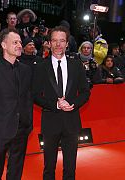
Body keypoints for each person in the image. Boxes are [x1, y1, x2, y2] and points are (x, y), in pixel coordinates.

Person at [32, 26, 90, 180]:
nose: (58, 44)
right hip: (50, 122)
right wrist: (55, 105)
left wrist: (73, 104)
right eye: (55, 41)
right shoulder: (41, 66)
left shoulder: (76, 65)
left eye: (62, 41)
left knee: (70, 168)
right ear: (49, 43)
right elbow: (35, 95)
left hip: (71, 122)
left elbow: (85, 92)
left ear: (67, 44)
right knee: (48, 168)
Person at [0, 28, 33, 180]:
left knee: (16, 172)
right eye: (15, 42)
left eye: (20, 42)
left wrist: (28, 124)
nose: (19, 45)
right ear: (4, 45)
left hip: (21, 129)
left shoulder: (26, 70)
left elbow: (28, 97)